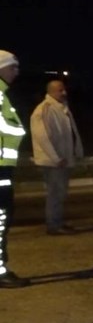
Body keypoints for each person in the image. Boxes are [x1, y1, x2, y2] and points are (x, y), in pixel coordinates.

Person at [31, 79, 84, 235]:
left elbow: (71, 133)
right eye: (60, 90)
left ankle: (58, 222)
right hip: (54, 162)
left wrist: (76, 152)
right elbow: (42, 137)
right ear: (51, 92)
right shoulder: (44, 110)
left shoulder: (62, 109)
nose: (64, 93)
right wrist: (56, 158)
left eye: (64, 89)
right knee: (55, 193)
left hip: (63, 159)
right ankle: (53, 225)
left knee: (60, 193)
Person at [0, 50, 30, 287]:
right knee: (0, 219)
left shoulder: (3, 95)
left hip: (4, 168)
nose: (16, 71)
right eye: (12, 67)